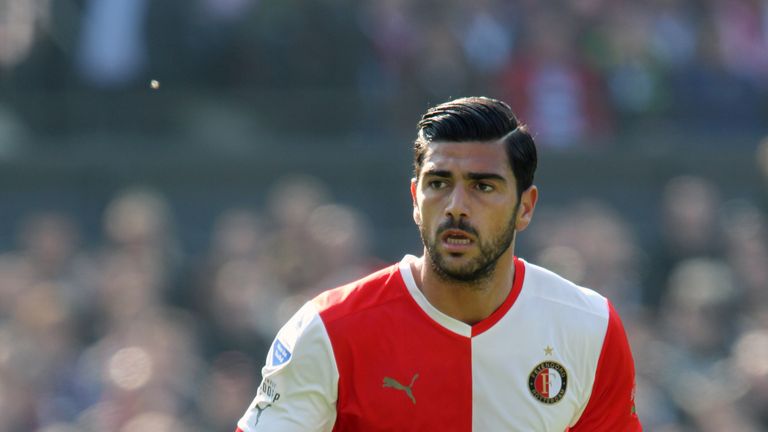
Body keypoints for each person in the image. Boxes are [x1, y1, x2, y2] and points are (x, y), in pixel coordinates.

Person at [235, 97, 642, 431]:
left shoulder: (589, 326)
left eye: (483, 186)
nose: (457, 207)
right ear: (415, 199)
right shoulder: (326, 329)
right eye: (438, 184)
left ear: (525, 207)